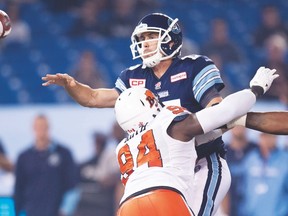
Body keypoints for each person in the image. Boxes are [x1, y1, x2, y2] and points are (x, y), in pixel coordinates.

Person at [41, 13, 286, 215]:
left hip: (203, 161)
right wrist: (73, 87)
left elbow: (217, 110)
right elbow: (93, 97)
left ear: (170, 40)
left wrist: (185, 130)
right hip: (165, 170)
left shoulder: (193, 67)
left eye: (150, 37)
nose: (144, 43)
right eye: (141, 38)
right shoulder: (132, 77)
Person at [113, 66, 277, 215]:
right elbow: (227, 110)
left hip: (127, 206)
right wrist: (256, 89)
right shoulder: (168, 124)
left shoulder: (123, 146)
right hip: (163, 195)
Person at [14, 114, 79, 216]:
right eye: (38, 127)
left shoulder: (64, 153)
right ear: (33, 128)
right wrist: (19, 212)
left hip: (56, 211)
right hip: (31, 211)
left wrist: (65, 210)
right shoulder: (24, 157)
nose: (41, 131)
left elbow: (73, 186)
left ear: (49, 128)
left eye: (44, 127)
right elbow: (18, 189)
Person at [240, 133, 288, 216]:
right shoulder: (250, 159)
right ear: (259, 137)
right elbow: (242, 189)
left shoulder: (285, 160)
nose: (268, 139)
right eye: (265, 135)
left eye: (272, 135)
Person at [74, 132, 117, 216]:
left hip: (106, 193)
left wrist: (92, 173)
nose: (96, 146)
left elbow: (108, 176)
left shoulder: (110, 154)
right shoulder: (94, 158)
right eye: (95, 143)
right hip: (92, 190)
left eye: (98, 143)